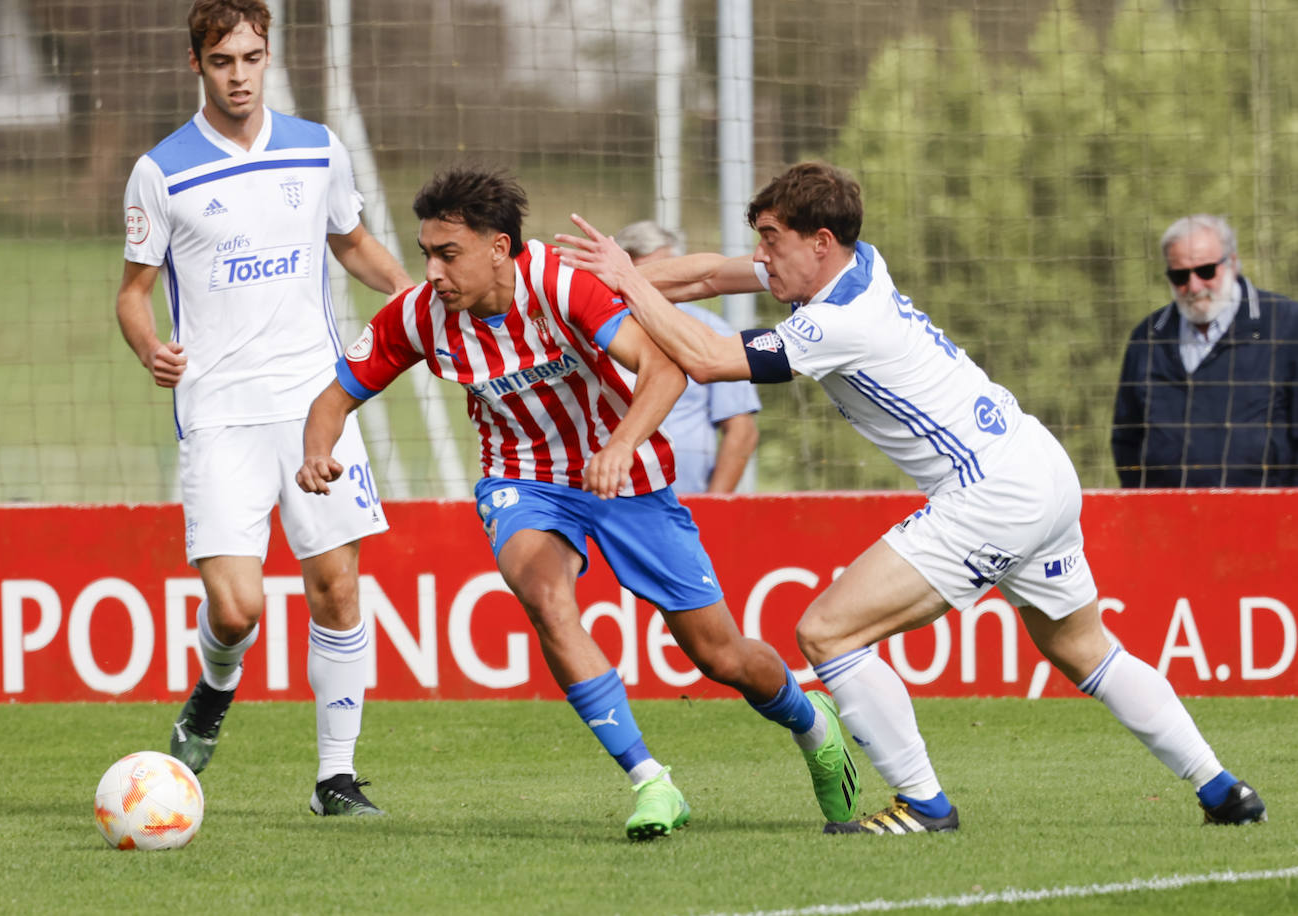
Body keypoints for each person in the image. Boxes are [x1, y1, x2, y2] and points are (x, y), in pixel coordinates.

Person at [555, 161, 1267, 834]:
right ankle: (1223, 790)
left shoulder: (840, 321)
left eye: (771, 241)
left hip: (991, 491)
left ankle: (924, 804)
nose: (761, 256)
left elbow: (709, 359)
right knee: (1087, 650)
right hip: (1035, 465)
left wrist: (627, 281)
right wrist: (587, 283)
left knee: (827, 632)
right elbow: (708, 274)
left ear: (821, 242)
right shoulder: (853, 264)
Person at [296, 165, 860, 840]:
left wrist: (621, 444)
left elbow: (664, 369)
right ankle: (652, 780)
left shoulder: (563, 285)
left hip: (628, 477)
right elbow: (333, 398)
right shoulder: (420, 315)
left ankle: (811, 724)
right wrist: (316, 451)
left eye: (448, 254)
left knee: (721, 655)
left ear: (499, 247)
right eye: (426, 254)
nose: (434, 271)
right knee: (544, 595)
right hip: (523, 478)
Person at [115, 0, 411, 817]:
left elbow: (350, 242)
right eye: (222, 62)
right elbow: (134, 294)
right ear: (195, 66)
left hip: (315, 401)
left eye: (251, 58)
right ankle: (215, 685)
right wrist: (151, 348)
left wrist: (414, 296)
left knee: (337, 588)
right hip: (218, 413)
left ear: (268, 55)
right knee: (238, 605)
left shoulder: (317, 148)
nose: (239, 75)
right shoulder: (162, 170)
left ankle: (335, 779)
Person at [1112, 214, 1298, 487]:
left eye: (1206, 271)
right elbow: (1127, 439)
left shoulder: (1286, 325)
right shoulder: (1149, 338)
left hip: (1267, 516)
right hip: (1169, 517)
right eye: (1180, 276)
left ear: (1232, 263)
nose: (1194, 286)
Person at [614, 221, 761, 493]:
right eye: (648, 274)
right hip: (608, 501)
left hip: (689, 500)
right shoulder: (597, 332)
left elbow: (741, 430)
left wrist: (715, 504)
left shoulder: (710, 330)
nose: (660, 282)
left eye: (668, 269)